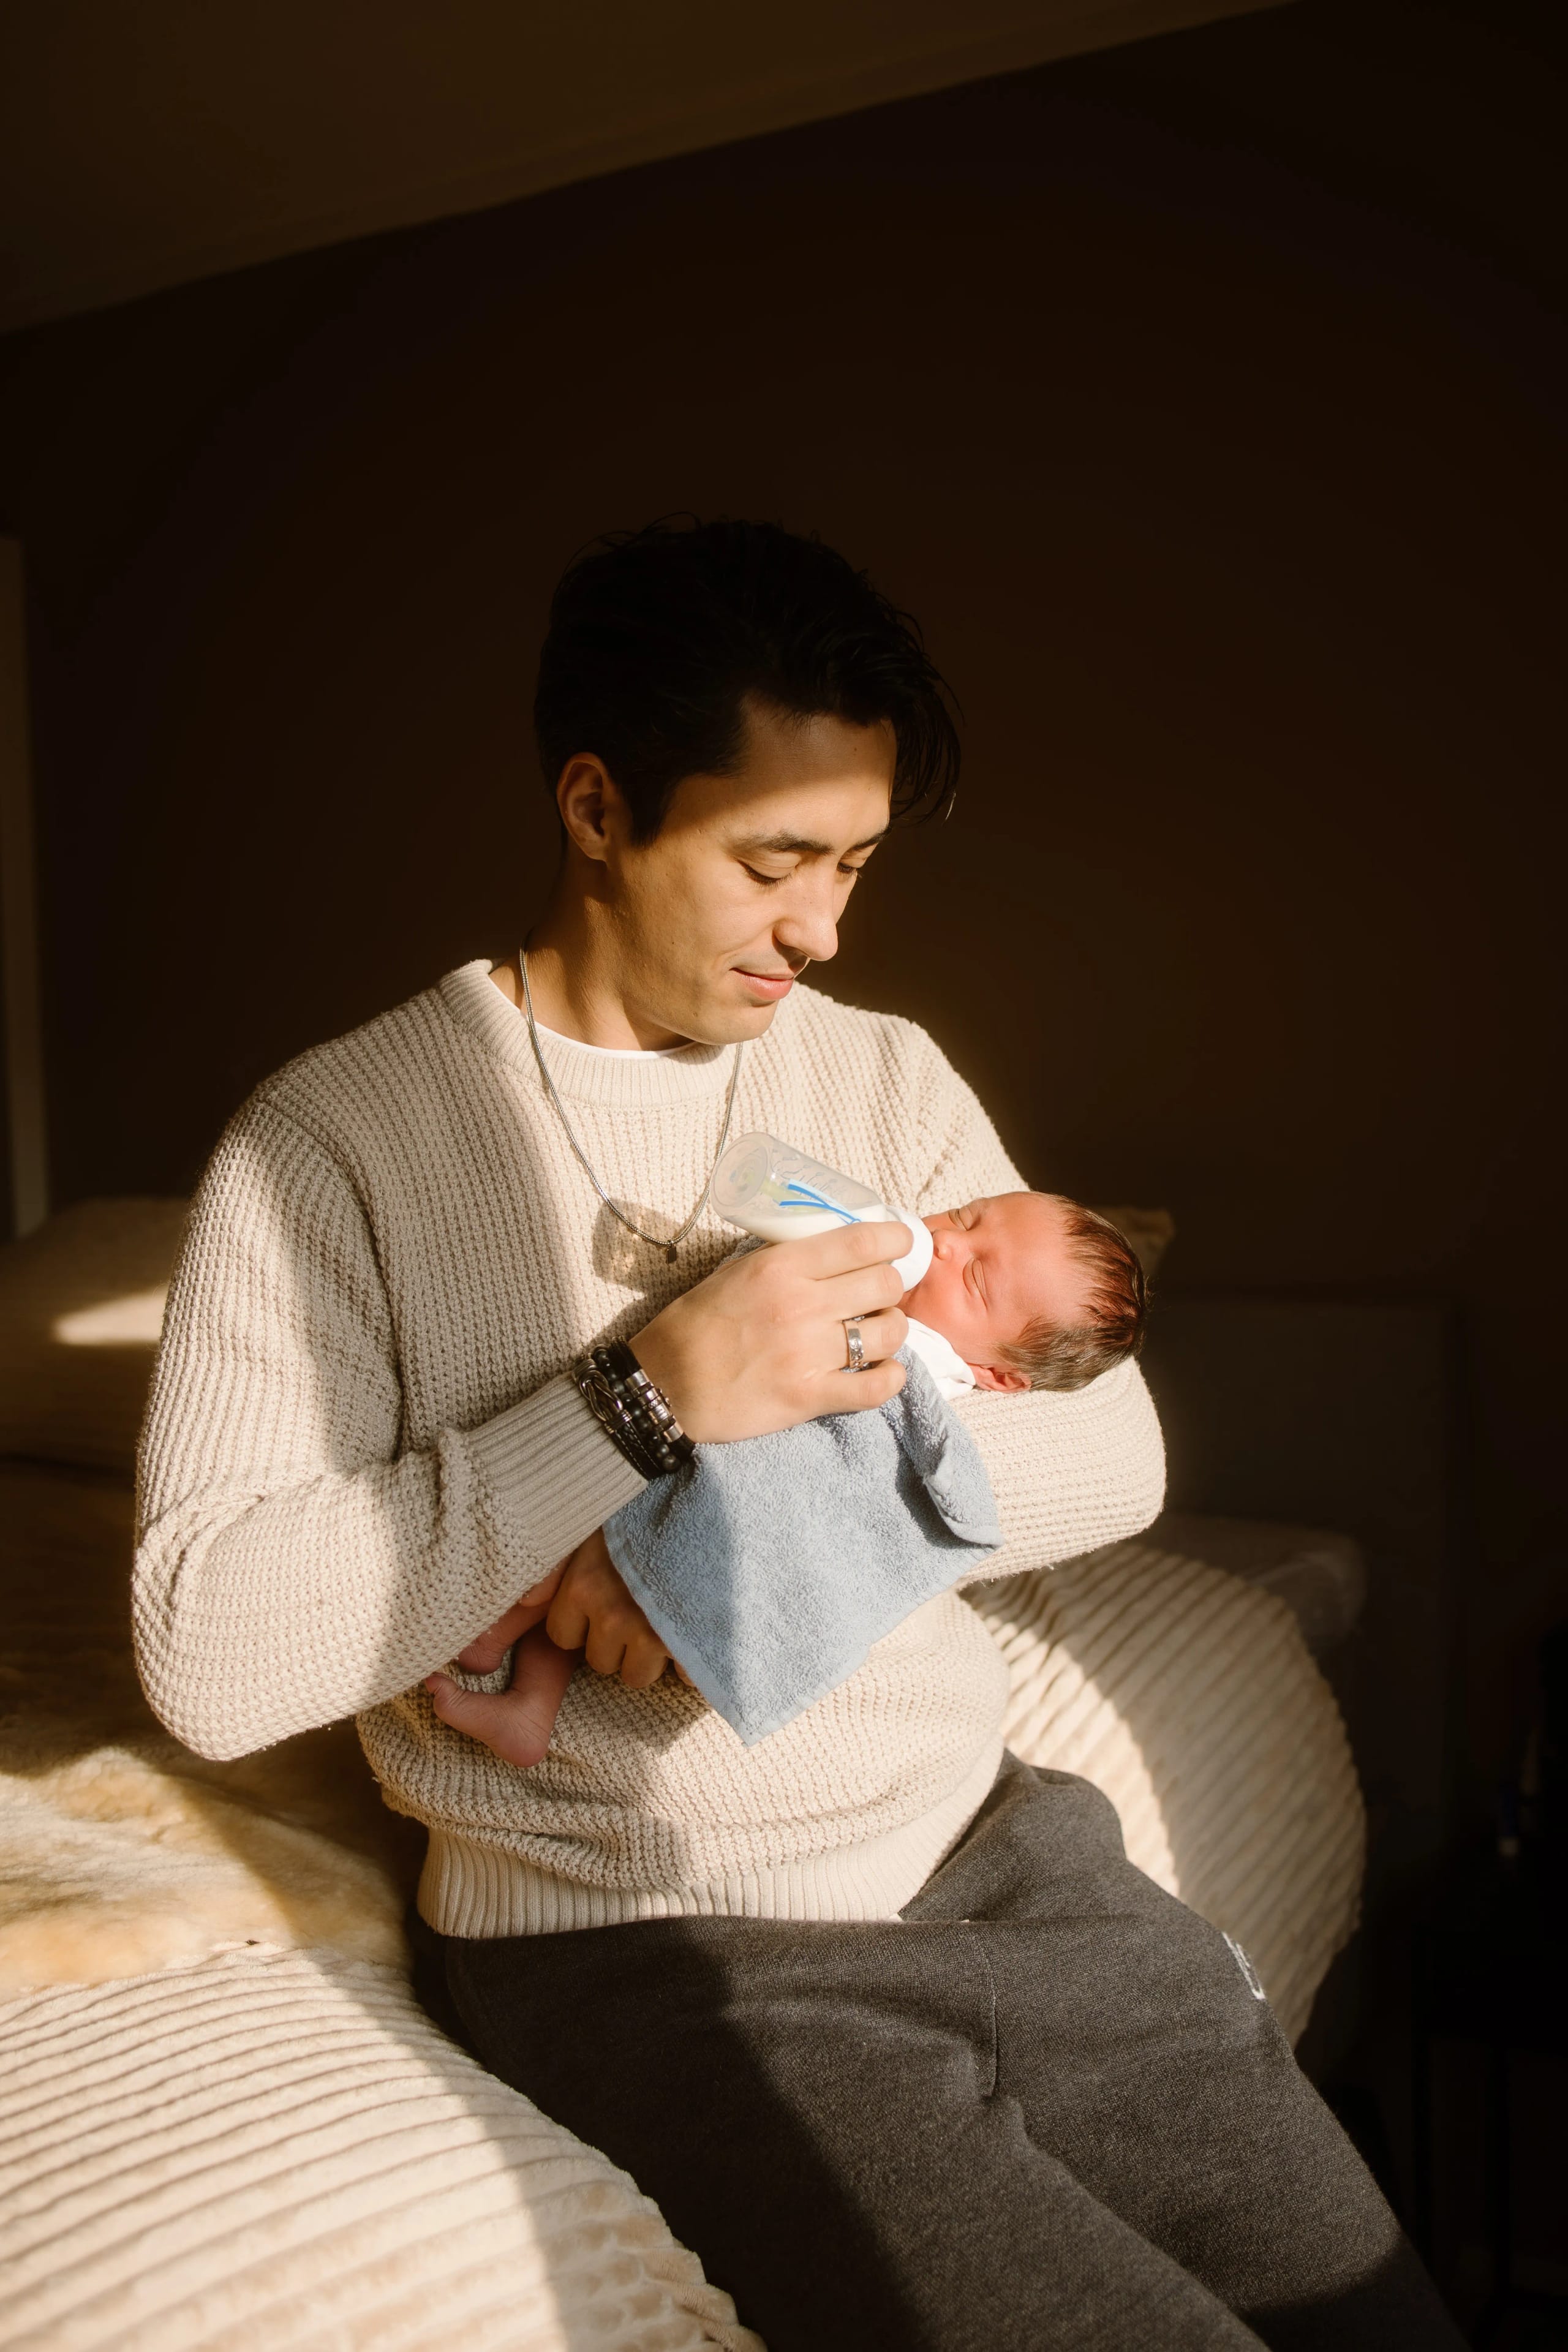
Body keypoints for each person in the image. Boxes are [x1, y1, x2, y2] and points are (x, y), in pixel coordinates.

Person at [134, 519, 1460, 2350]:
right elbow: (208, 1648)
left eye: (850, 862)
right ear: (595, 808)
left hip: (1006, 1853)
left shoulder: (880, 1071)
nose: (823, 928)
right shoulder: (333, 1143)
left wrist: (747, 1508)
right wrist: (645, 1393)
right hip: (673, 1951)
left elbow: (1111, 1447)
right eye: (773, 861)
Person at [428, 1188, 1148, 1769]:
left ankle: (495, 1649)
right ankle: (524, 1699)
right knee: (595, 1527)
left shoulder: (927, 1366)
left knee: (604, 1542)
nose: (948, 1242)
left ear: (996, 1375)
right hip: (678, 1442)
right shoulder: (885, 1255)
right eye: (966, 1216)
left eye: (974, 1278)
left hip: (749, 1501)